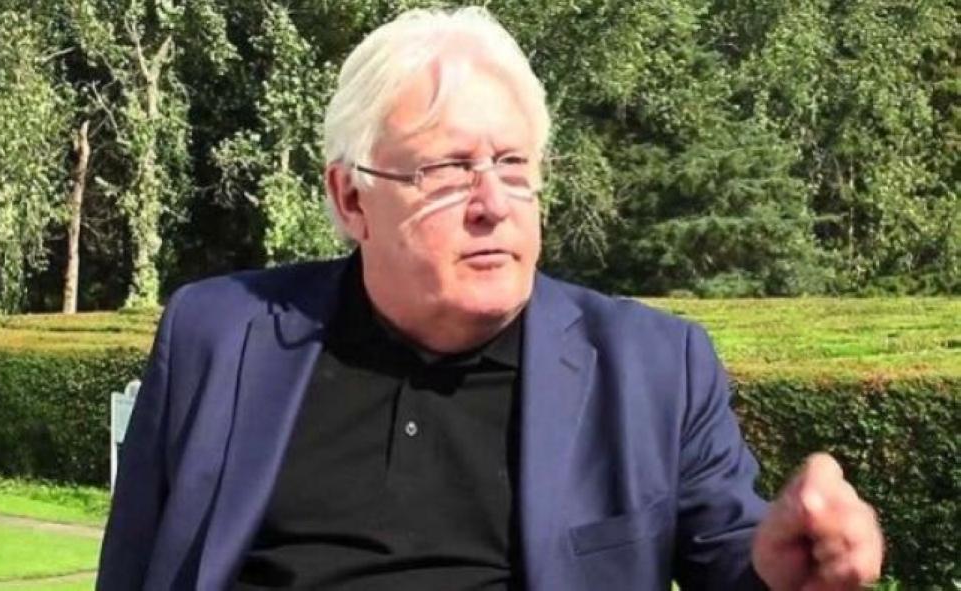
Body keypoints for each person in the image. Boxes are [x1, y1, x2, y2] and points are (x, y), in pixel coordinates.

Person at [97, 7, 883, 590]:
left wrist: (792, 566)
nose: (493, 203)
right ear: (351, 198)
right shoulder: (218, 336)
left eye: (513, 164)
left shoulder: (652, 367)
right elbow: (133, 567)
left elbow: (738, 565)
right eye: (446, 170)